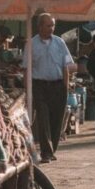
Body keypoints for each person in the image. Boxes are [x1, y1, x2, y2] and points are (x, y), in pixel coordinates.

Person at [28, 12, 74, 161]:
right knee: (43, 118)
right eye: (48, 25)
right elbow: (26, 69)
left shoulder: (60, 43)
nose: (51, 28)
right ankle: (46, 152)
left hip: (58, 85)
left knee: (56, 120)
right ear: (40, 27)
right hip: (39, 86)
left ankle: (52, 149)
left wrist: (66, 87)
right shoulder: (31, 44)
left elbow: (66, 66)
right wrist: (27, 89)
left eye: (53, 25)